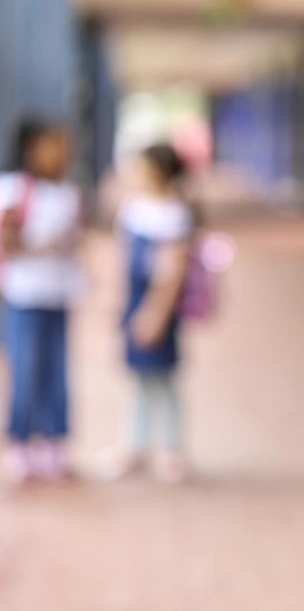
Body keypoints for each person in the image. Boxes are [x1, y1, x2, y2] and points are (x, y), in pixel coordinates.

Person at [0, 118, 83, 484]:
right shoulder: (14, 190)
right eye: (54, 145)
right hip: (24, 296)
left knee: (58, 373)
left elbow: (76, 241)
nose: (63, 154)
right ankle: (22, 444)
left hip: (58, 295)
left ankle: (54, 443)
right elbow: (8, 241)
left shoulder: (68, 193)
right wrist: (40, 245)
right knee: (26, 371)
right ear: (32, 148)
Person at [107, 144, 194, 483]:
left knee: (163, 379)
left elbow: (171, 272)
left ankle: (172, 448)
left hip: (157, 306)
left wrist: (155, 313)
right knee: (140, 379)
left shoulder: (174, 214)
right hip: (135, 301)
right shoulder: (133, 208)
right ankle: (135, 445)